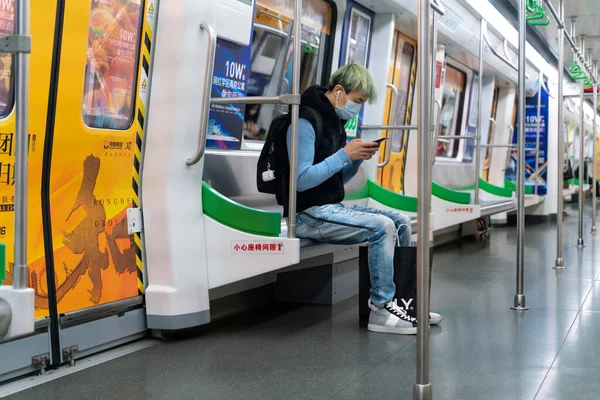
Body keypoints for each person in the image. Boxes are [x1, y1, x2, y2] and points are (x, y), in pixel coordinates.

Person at [281, 63, 441, 335]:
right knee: (382, 226)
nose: (357, 108)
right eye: (357, 101)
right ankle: (380, 309)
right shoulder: (305, 121)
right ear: (339, 91)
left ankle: (404, 303)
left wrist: (355, 161)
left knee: (401, 221)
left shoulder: (335, 123)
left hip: (328, 207)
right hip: (307, 213)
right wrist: (345, 154)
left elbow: (332, 181)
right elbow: (301, 181)